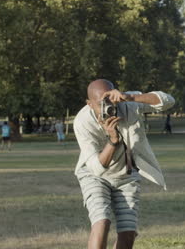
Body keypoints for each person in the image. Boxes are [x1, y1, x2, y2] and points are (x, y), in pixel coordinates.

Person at [73, 79, 175, 249]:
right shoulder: (82, 122)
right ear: (89, 104)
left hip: (126, 175)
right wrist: (113, 141)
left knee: (128, 233)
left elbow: (168, 101)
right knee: (102, 220)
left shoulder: (126, 103)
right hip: (94, 176)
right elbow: (97, 168)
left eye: (110, 101)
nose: (109, 108)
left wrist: (130, 98)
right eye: (101, 104)